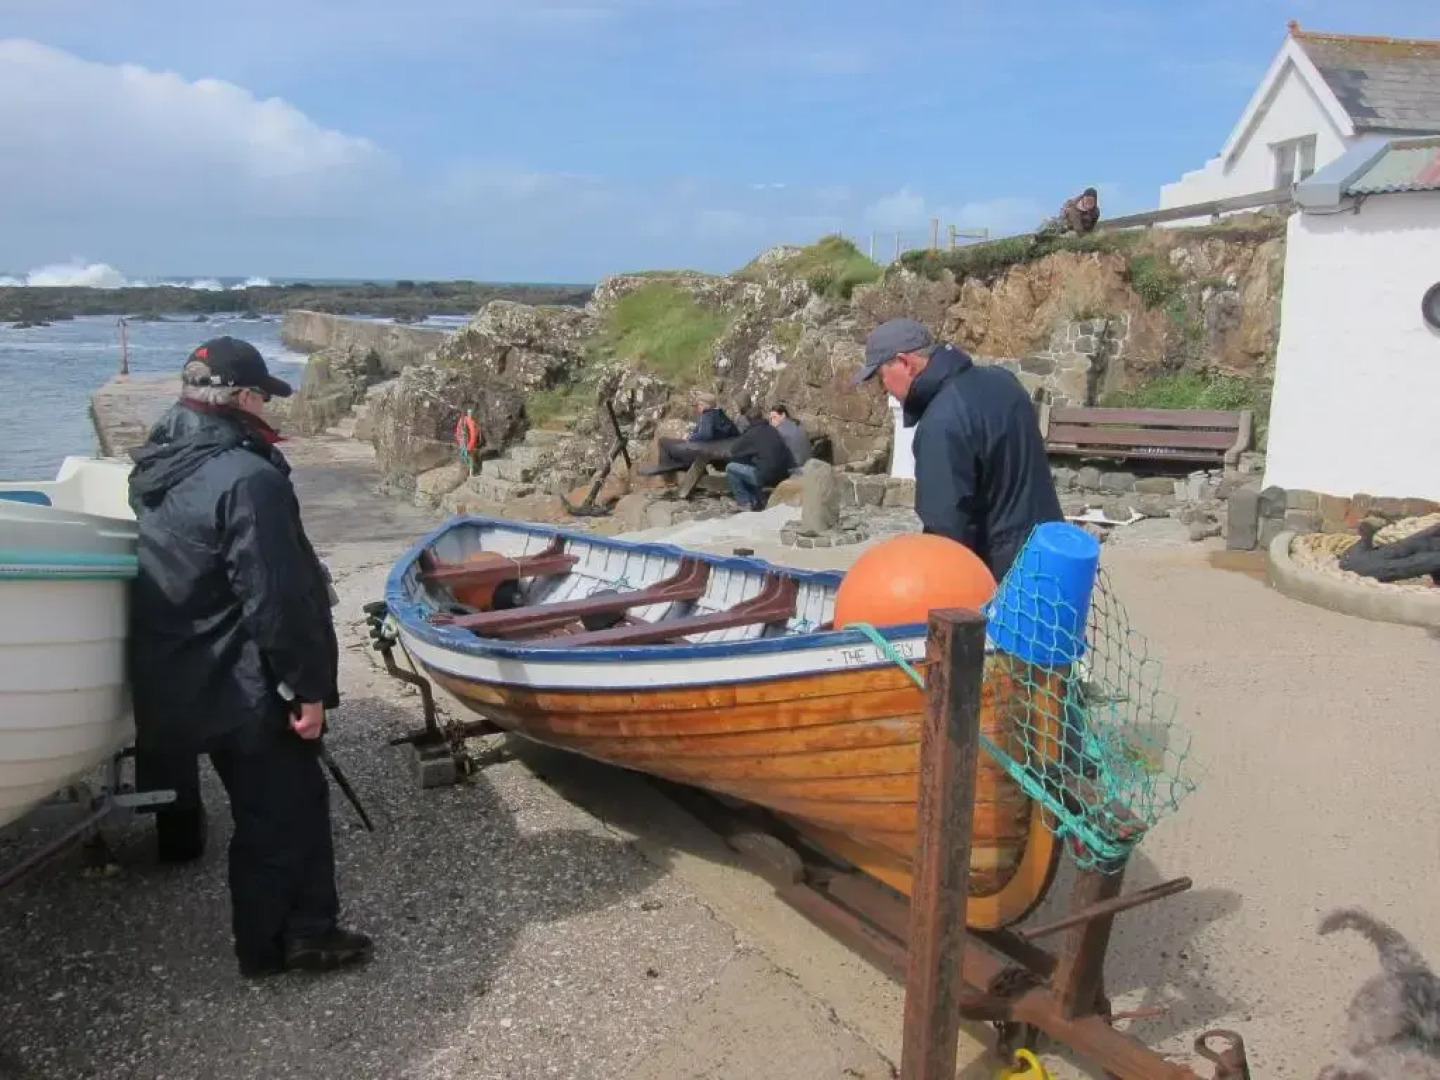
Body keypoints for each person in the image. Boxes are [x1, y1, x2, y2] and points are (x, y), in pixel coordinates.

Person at [126, 336, 372, 979]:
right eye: (262, 395)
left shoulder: (160, 463)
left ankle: (279, 935)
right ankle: (292, 940)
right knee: (285, 810)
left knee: (264, 807)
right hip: (243, 676)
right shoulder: (248, 479)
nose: (267, 406)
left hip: (181, 668)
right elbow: (275, 597)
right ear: (240, 397)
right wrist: (305, 688)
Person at [851, 318, 1062, 581]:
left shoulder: (942, 421)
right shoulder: (1003, 381)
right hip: (1053, 555)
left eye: (881, 378)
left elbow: (947, 534)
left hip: (1006, 577)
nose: (885, 391)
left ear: (905, 363)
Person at [639, 391, 741, 476]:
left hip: (703, 452)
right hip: (719, 454)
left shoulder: (707, 415)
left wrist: (691, 438)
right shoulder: (722, 416)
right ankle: (676, 465)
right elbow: (735, 434)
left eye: (698, 405)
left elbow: (706, 435)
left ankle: (668, 468)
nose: (697, 408)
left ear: (704, 405)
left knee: (663, 442)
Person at [724, 409, 794, 511]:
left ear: (748, 420)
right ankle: (755, 499)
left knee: (731, 468)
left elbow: (734, 450)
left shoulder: (752, 433)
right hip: (782, 474)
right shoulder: (773, 430)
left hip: (767, 477)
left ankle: (744, 502)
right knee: (757, 464)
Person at [767, 404, 811, 473]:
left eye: (774, 417)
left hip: (795, 469)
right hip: (808, 464)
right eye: (771, 419)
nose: (772, 421)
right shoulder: (798, 426)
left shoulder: (779, 431)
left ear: (783, 415)